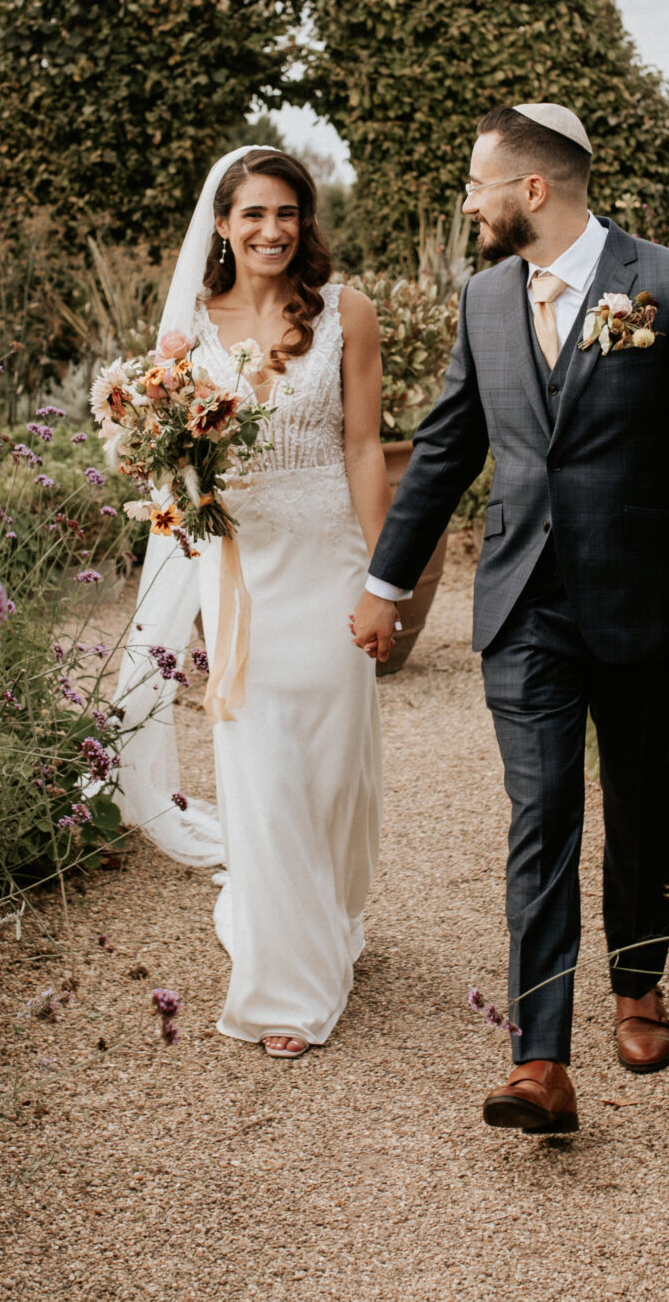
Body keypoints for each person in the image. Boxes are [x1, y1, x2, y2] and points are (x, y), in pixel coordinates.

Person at [350, 103, 669, 1134]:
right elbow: (447, 447)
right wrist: (385, 584)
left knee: (633, 796)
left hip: (644, 598)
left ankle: (637, 988)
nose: (467, 201)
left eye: (477, 183)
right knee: (541, 816)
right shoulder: (483, 300)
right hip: (523, 599)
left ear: (531, 190)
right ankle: (539, 1059)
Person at [108, 146, 387, 1058]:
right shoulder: (189, 331)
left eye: (287, 213)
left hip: (332, 561)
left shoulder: (348, 313)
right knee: (261, 768)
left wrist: (386, 577)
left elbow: (362, 451)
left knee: (333, 769)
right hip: (242, 571)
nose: (272, 229)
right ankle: (282, 986)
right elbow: (165, 464)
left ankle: (330, 920)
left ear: (305, 222)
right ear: (222, 225)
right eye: (253, 214)